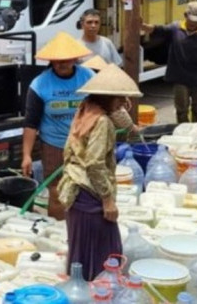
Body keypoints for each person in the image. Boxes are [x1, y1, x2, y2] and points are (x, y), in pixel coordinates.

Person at [57, 64, 143, 281]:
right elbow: (95, 163)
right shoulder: (102, 121)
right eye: (120, 98)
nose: (124, 103)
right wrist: (107, 200)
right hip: (90, 194)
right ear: (108, 98)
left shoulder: (86, 109)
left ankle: (82, 290)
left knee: (81, 255)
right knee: (104, 256)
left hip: (75, 191)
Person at [21, 31, 94, 220]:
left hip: (84, 144)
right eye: (57, 60)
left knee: (85, 189)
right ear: (51, 61)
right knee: (57, 192)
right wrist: (26, 155)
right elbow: (31, 123)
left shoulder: (88, 77)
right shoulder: (40, 85)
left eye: (67, 60)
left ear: (75, 59)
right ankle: (58, 229)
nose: (62, 64)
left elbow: (103, 107)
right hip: (54, 145)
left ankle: (81, 226)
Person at [141, 1, 197, 123]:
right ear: (185, 15)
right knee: (181, 109)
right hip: (180, 78)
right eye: (192, 19)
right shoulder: (175, 29)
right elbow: (158, 30)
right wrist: (143, 26)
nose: (194, 23)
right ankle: (182, 132)